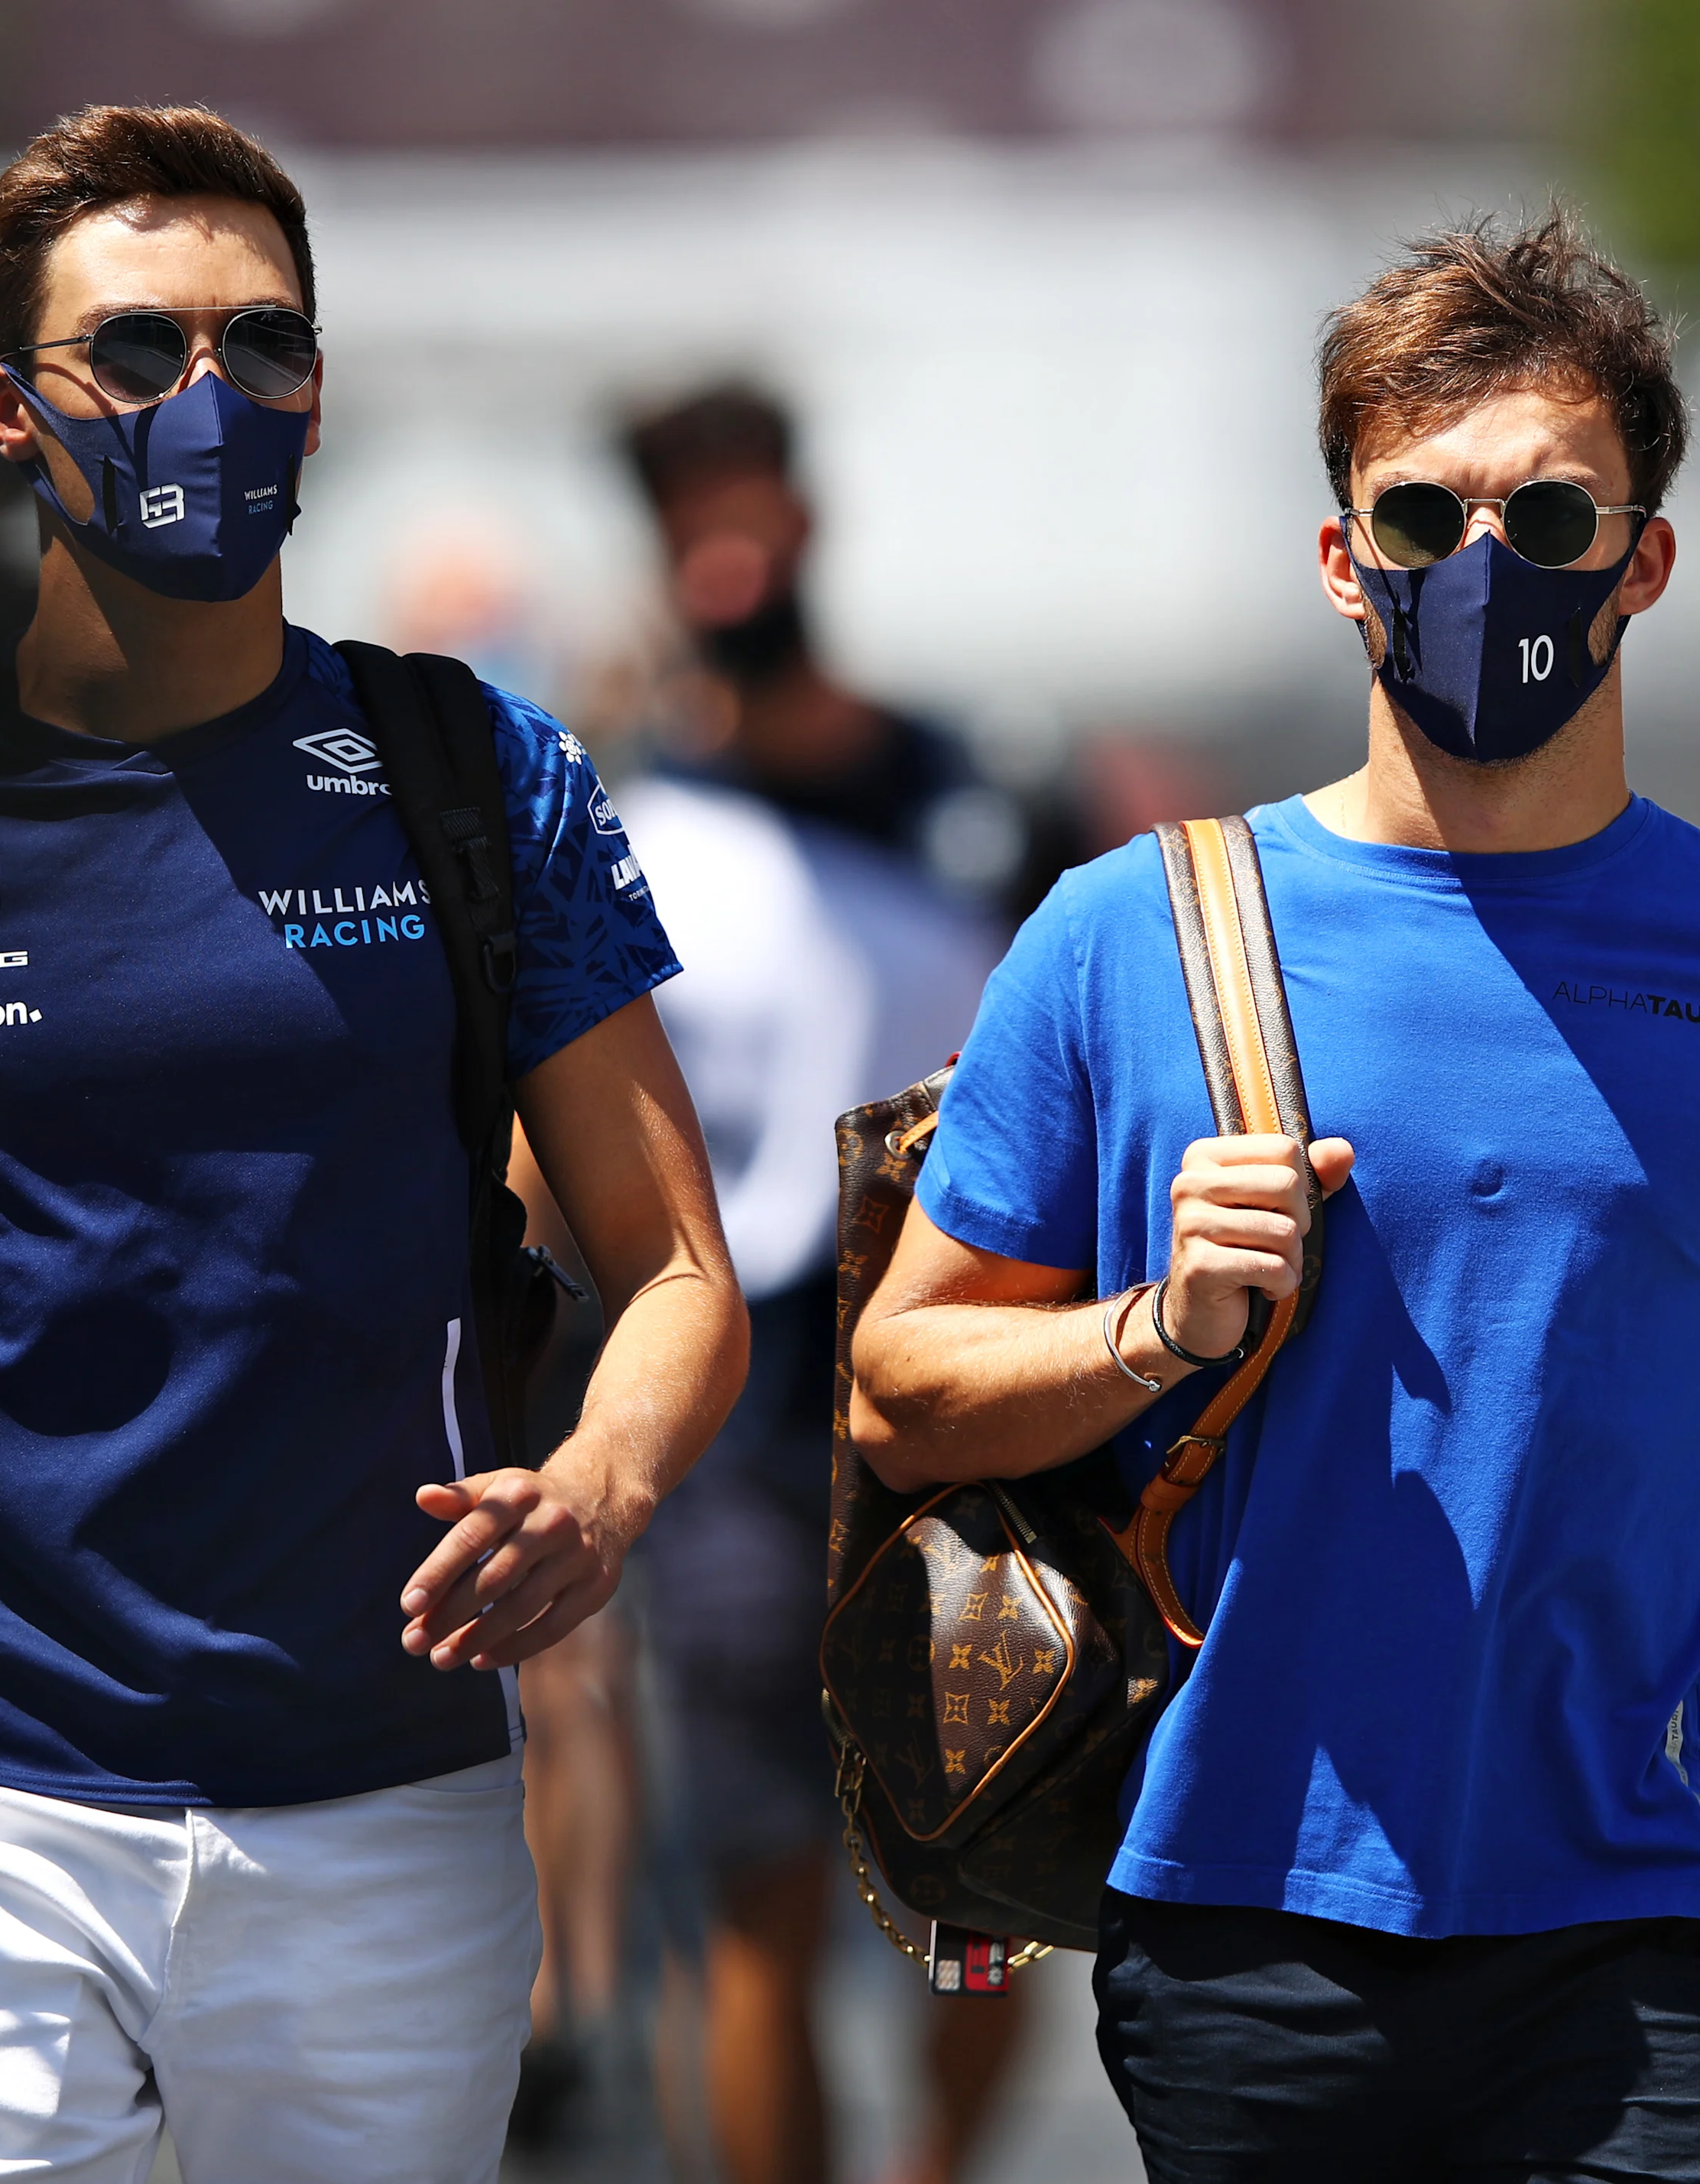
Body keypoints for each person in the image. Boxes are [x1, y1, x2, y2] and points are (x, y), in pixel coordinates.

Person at [0, 102, 745, 2184]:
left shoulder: (470, 769)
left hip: (392, 1816)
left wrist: (603, 1489)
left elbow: (679, 1270)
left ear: (319, 382)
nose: (213, 396)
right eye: (141, 350)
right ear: (11, 411)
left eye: (262, 343)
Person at [848, 212, 1700, 2184]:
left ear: (1645, 559)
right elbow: (900, 1391)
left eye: (1553, 518)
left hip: (1636, 1950)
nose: (1487, 568)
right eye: (1419, 518)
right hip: (1240, 1935)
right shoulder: (1124, 938)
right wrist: (1153, 1326)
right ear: (1340, 563)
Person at [614, 384, 1019, 2184]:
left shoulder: (977, 803)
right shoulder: (613, 832)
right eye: (686, 525)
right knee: (754, 1881)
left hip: (974, 1418)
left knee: (991, 1878)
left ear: (805, 521)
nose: (727, 560)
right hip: (735, 1431)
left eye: (748, 515)